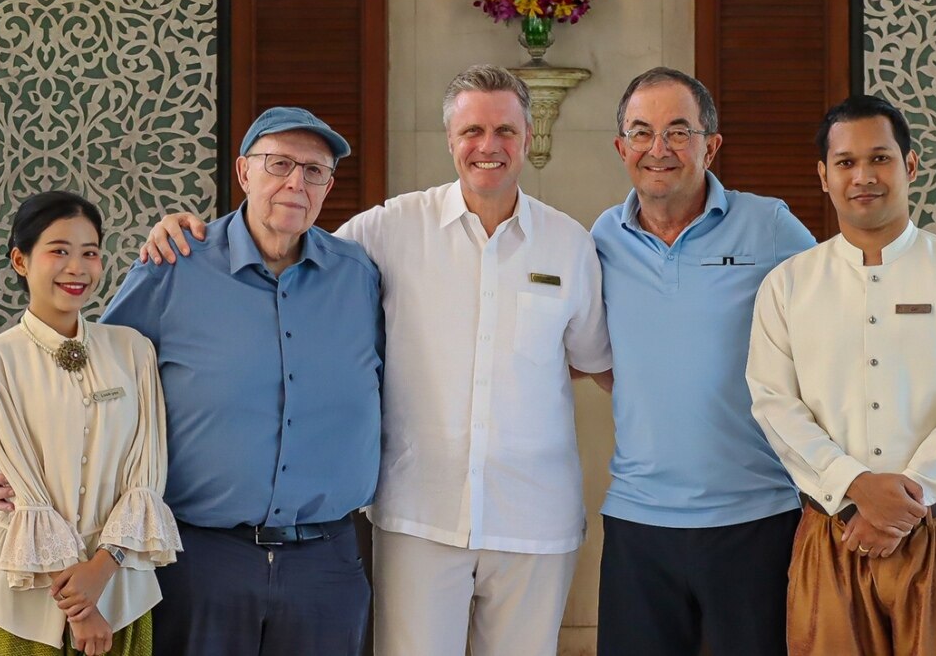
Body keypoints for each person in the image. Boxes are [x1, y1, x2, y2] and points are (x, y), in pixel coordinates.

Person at [138, 64, 612, 656]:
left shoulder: (570, 243)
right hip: (418, 515)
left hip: (535, 516)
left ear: (528, 136)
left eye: (505, 132)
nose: (487, 147)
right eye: (471, 131)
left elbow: (591, 359)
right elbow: (285, 241)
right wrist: (186, 231)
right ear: (449, 139)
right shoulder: (385, 231)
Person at [0, 108, 383, 656]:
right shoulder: (173, 263)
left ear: (329, 185)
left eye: (315, 171)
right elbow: (86, 376)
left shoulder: (360, 276)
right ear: (244, 172)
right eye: (280, 164)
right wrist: (2, 460)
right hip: (200, 561)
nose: (297, 182)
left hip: (327, 564)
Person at [747, 94, 936, 655]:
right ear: (823, 176)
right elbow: (774, 403)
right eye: (845, 162)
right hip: (833, 531)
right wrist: (854, 488)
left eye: (880, 158)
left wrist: (901, 508)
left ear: (909, 166)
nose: (863, 176)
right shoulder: (788, 285)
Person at [590, 67, 817, 656]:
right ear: (621, 148)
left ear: (711, 146)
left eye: (678, 131)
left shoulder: (769, 225)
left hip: (757, 519)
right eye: (641, 133)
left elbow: (836, 326)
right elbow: (581, 348)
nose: (658, 149)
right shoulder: (600, 239)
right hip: (639, 523)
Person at [0, 191, 181, 656]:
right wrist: (82, 610)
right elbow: (25, 493)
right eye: (58, 250)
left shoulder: (133, 350)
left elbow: (146, 476)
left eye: (90, 253)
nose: (77, 268)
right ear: (21, 261)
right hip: (24, 601)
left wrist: (102, 569)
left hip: (121, 590)